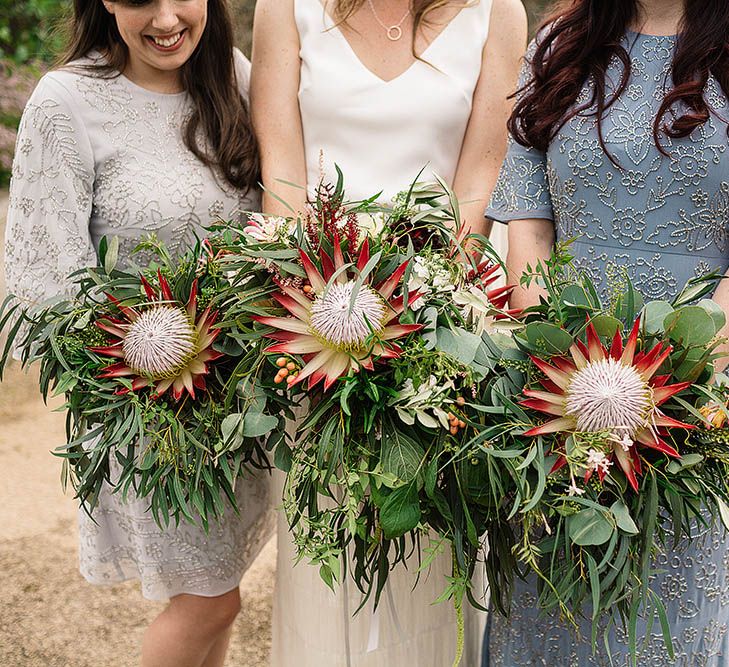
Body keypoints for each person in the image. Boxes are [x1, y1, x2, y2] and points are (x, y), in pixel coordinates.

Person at [250, 0, 526, 664]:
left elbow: (479, 175)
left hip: (437, 333)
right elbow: (282, 164)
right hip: (316, 323)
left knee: (427, 549)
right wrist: (310, 292)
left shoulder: (499, 13)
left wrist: (427, 308)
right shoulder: (283, 7)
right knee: (322, 550)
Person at [3, 2, 273, 666]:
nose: (163, 19)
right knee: (212, 599)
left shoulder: (233, 78)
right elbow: (43, 276)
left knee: (218, 586)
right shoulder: (67, 101)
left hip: (239, 411)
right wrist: (132, 369)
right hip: (148, 410)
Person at [482, 0, 729, 664]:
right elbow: (529, 223)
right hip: (561, 396)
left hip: (698, 395)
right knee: (550, 602)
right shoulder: (559, 45)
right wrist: (550, 365)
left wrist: (683, 369)